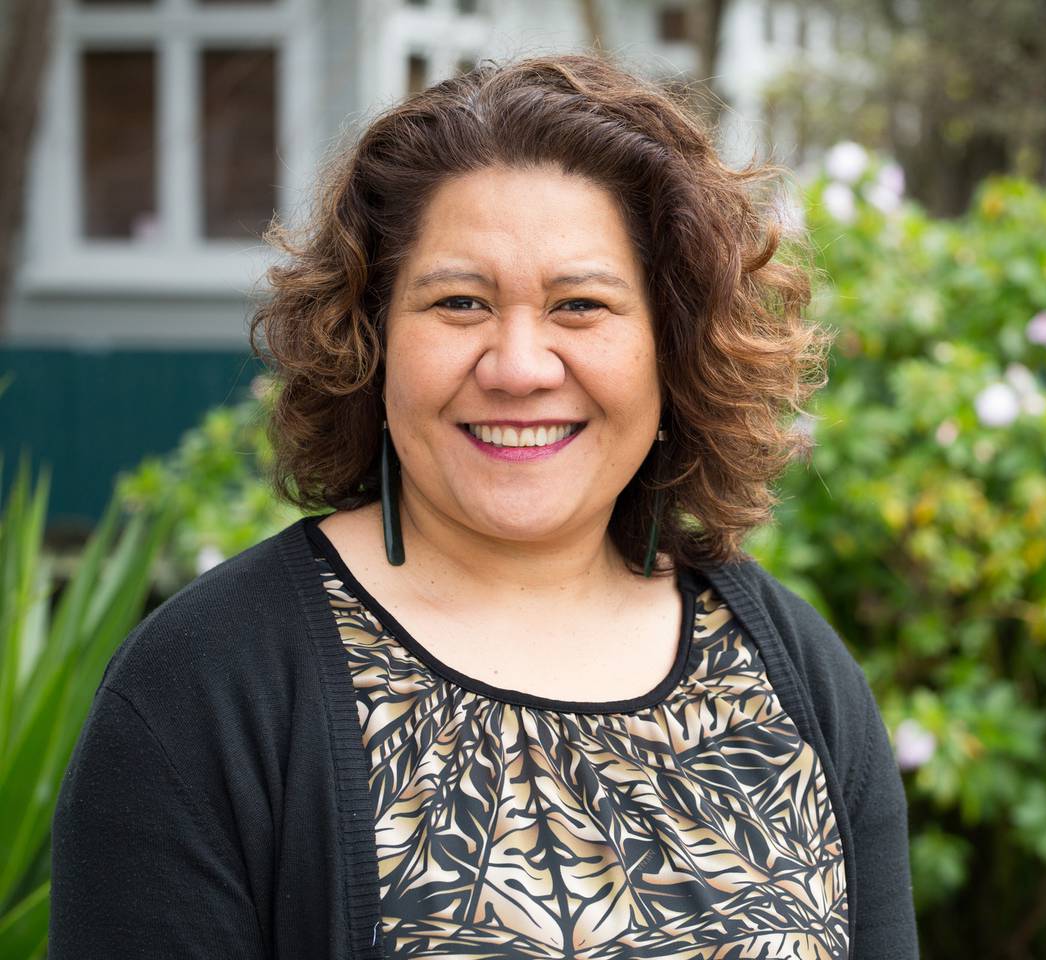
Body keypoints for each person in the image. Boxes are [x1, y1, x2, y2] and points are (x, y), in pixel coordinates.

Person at [49, 53, 917, 959]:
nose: (517, 366)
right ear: (370, 335)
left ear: (675, 346)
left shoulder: (797, 678)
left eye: (580, 305)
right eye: (459, 302)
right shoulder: (202, 694)